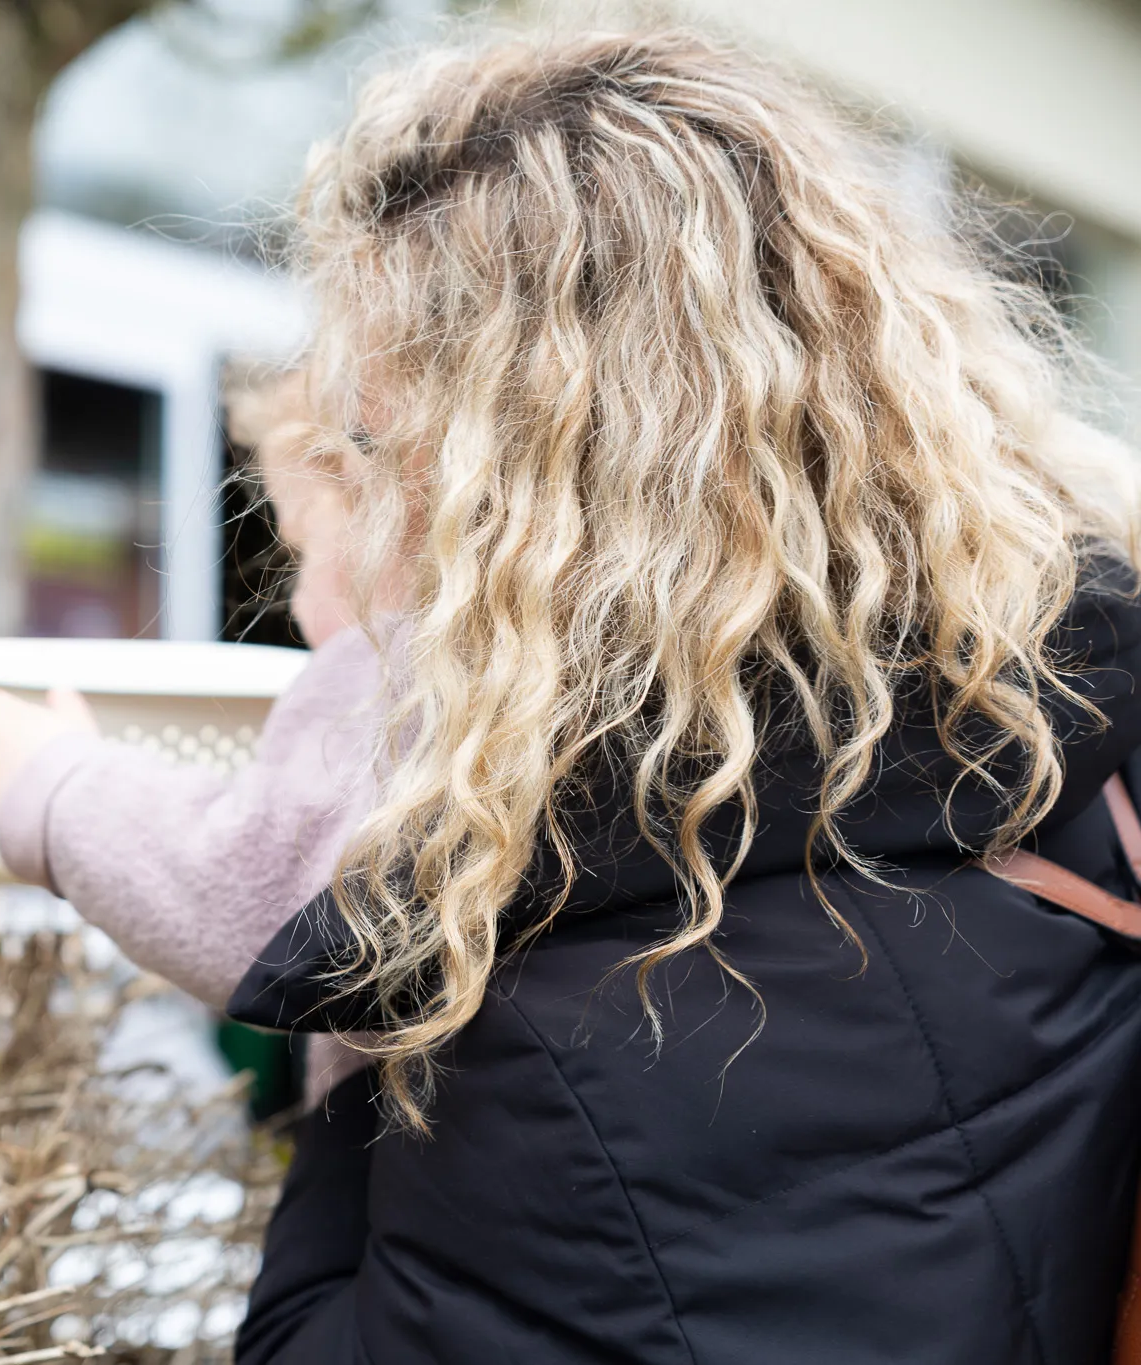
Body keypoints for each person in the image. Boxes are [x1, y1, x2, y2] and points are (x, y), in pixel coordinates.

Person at [218, 25, 1141, 1364]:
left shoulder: (544, 1029)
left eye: (381, 450)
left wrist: (370, 1026)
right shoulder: (1077, 762)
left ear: (520, 507)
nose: (362, 527)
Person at [0, 369, 382, 1108]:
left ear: (395, 525)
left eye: (298, 549)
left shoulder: (399, 685)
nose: (293, 605)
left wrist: (56, 786)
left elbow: (263, 901)